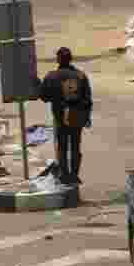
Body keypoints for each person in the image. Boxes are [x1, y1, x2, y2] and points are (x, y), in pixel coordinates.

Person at [36, 47, 93, 185]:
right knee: (75, 146)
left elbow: (44, 97)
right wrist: (87, 117)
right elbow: (87, 99)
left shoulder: (51, 76)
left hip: (60, 116)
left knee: (62, 146)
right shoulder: (81, 75)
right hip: (77, 116)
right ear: (70, 59)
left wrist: (40, 86)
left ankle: (64, 175)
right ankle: (74, 175)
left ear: (58, 59)